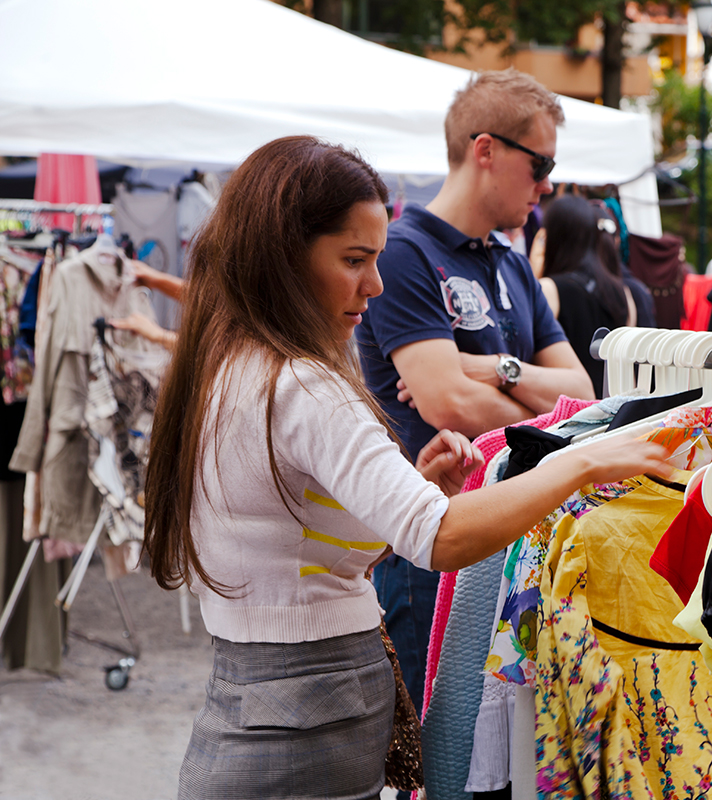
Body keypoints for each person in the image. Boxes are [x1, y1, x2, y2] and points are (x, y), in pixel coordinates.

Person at [142, 136, 669, 800]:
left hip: (269, 705)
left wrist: (413, 489)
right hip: (303, 718)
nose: (376, 285)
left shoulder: (229, 363)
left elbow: (298, 538)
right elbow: (439, 538)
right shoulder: (302, 384)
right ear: (283, 258)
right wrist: (583, 461)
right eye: (355, 260)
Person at [354, 69, 594, 704]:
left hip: (515, 544)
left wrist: (493, 368)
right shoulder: (403, 251)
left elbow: (583, 393)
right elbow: (446, 404)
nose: (547, 187)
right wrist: (532, 399)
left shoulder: (512, 262)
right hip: (432, 547)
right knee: (437, 759)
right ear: (485, 150)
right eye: (540, 163)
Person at [532, 195, 640, 397]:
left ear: (553, 236)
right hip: (612, 414)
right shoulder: (623, 292)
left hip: (564, 414)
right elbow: (627, 365)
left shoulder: (549, 289)